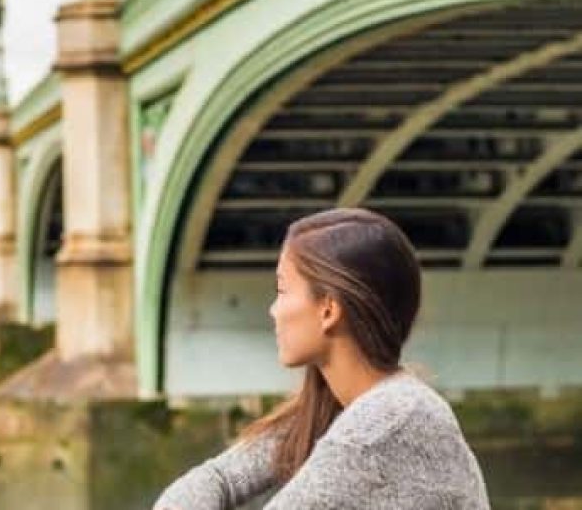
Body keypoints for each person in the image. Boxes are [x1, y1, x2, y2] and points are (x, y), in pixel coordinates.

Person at [153, 208, 490, 509]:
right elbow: (220, 478)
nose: (273, 310)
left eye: (282, 290)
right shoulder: (341, 407)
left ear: (328, 310)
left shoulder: (386, 423)